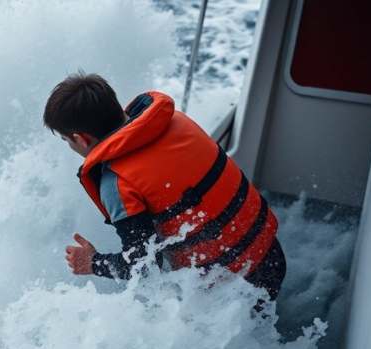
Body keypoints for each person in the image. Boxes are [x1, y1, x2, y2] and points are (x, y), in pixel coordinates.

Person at [43, 72, 286, 300]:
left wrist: (93, 263)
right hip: (270, 255)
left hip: (231, 290)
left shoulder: (117, 182)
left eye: (66, 140)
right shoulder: (176, 120)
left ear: (81, 139)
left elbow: (143, 267)